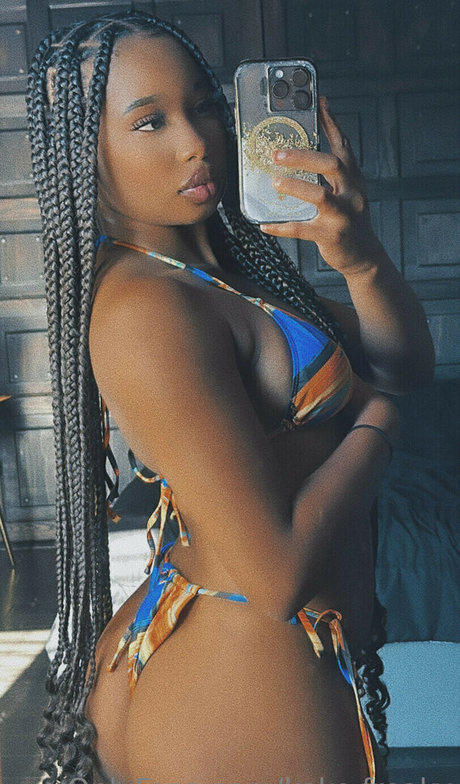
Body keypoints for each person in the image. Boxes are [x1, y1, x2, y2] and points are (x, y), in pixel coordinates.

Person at [26, 10, 435, 784]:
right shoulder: (145, 309)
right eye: (150, 121)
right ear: (86, 150)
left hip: (244, 656)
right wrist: (378, 421)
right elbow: (275, 574)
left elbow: (405, 360)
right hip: (243, 679)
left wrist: (359, 259)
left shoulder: (217, 272)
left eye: (204, 106)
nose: (197, 142)